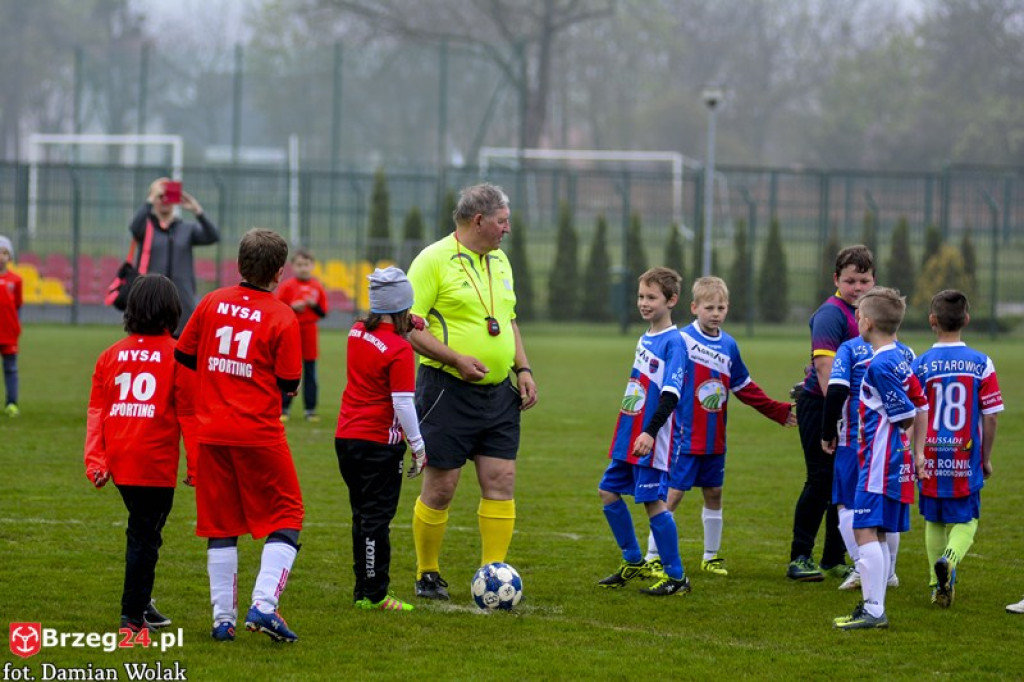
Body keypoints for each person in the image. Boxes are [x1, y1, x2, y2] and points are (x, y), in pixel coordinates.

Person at [406, 183, 538, 600]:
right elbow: (409, 326)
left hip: (499, 394)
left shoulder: (501, 260)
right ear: (479, 220)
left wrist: (522, 368)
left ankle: (492, 573)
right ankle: (428, 573)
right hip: (446, 390)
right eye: (502, 221)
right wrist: (456, 359)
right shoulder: (432, 260)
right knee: (441, 486)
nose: (508, 229)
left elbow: (508, 320)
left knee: (502, 479)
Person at [175, 228, 304, 642]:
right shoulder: (282, 315)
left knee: (221, 524)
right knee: (288, 514)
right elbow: (290, 382)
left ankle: (222, 620)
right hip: (258, 432)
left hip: (210, 431)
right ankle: (264, 605)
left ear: (238, 265)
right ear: (279, 272)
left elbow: (184, 354)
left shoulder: (212, 301)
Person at [644, 277, 795, 578]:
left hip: (715, 437)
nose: (715, 313)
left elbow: (745, 387)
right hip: (684, 436)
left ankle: (710, 557)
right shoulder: (681, 341)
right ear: (694, 307)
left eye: (721, 308)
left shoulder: (729, 345)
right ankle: (652, 556)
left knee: (714, 493)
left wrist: (777, 411)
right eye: (709, 307)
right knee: (673, 495)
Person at [84, 274, 195, 632]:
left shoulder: (110, 355)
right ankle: (131, 616)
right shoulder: (178, 356)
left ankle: (142, 603)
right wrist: (196, 465)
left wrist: (96, 461)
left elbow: (97, 413)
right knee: (145, 537)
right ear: (172, 311)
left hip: (121, 462)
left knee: (145, 531)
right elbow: (188, 415)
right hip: (154, 464)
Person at [832, 287, 927, 630]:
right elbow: (922, 402)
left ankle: (873, 610)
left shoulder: (881, 365)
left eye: (858, 316)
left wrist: (905, 437)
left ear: (868, 322)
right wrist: (917, 452)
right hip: (892, 459)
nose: (856, 321)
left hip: (879, 461)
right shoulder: (899, 357)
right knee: (879, 532)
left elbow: (907, 413)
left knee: (863, 529)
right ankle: (875, 605)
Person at [336, 267, 427, 613]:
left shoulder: (356, 331)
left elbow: (382, 320)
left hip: (347, 437)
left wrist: (410, 320)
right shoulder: (400, 349)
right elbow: (402, 403)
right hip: (378, 443)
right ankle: (375, 594)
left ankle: (363, 590)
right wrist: (418, 446)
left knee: (361, 515)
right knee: (377, 519)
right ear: (402, 306)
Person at [597, 267, 688, 596]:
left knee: (653, 503)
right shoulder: (645, 337)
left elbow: (670, 395)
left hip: (653, 437)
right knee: (608, 491)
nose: (644, 303)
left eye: (652, 297)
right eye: (640, 296)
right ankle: (633, 560)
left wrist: (650, 432)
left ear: (671, 300)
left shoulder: (674, 343)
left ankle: (677, 577)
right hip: (630, 433)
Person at [788, 245, 876, 582]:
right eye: (850, 281)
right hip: (822, 406)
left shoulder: (871, 313)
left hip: (852, 411)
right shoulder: (831, 314)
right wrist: (836, 419)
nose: (857, 287)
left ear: (874, 280)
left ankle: (833, 558)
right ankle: (800, 556)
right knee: (821, 480)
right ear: (836, 279)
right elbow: (826, 371)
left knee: (843, 482)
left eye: (864, 281)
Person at [912, 290, 1003, 608]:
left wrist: (915, 454)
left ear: (932, 320)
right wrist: (985, 458)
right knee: (968, 519)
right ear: (967, 319)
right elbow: (991, 416)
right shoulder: (981, 363)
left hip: (930, 455)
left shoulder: (920, 365)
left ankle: (936, 586)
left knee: (934, 520)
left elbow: (913, 413)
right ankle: (949, 560)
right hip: (965, 456)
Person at [822, 330, 914, 592]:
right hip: (894, 443)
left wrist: (827, 432)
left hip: (855, 439)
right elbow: (916, 402)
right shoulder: (906, 352)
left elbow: (837, 390)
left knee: (847, 504)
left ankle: (862, 568)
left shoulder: (849, 348)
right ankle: (889, 572)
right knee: (886, 508)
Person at [129, 177, 220, 336]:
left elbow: (212, 236)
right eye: (160, 196)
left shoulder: (186, 228)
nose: (164, 201)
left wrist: (197, 211)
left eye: (168, 196)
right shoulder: (147, 227)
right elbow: (134, 228)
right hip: (152, 299)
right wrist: (150, 200)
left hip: (182, 299)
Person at [276, 248, 328, 422]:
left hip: (310, 332)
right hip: (291, 331)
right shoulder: (287, 286)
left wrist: (314, 306)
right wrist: (292, 307)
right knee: (289, 370)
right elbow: (277, 309)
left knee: (311, 372)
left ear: (312, 266)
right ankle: (284, 408)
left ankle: (310, 410)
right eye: (299, 265)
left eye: (306, 264)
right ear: (293, 266)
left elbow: (323, 313)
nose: (303, 268)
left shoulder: (317, 286)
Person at [0, 235, 22, 417]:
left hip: (8, 334)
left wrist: (15, 328)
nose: (1, 256)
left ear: (10, 257)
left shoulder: (16, 280)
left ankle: (11, 403)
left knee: (11, 369)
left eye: (4, 252)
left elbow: (18, 305)